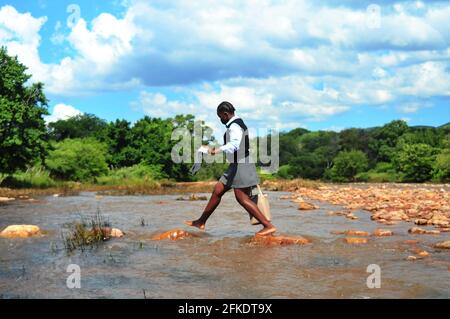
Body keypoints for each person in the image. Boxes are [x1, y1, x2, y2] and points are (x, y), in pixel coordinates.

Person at [185, 101, 277, 236]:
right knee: (217, 191)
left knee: (241, 197)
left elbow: (234, 145)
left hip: (241, 164)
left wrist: (213, 150)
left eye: (220, 117)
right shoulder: (237, 123)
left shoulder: (234, 126)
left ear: (225, 114)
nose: (220, 119)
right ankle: (201, 221)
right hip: (235, 165)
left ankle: (268, 226)